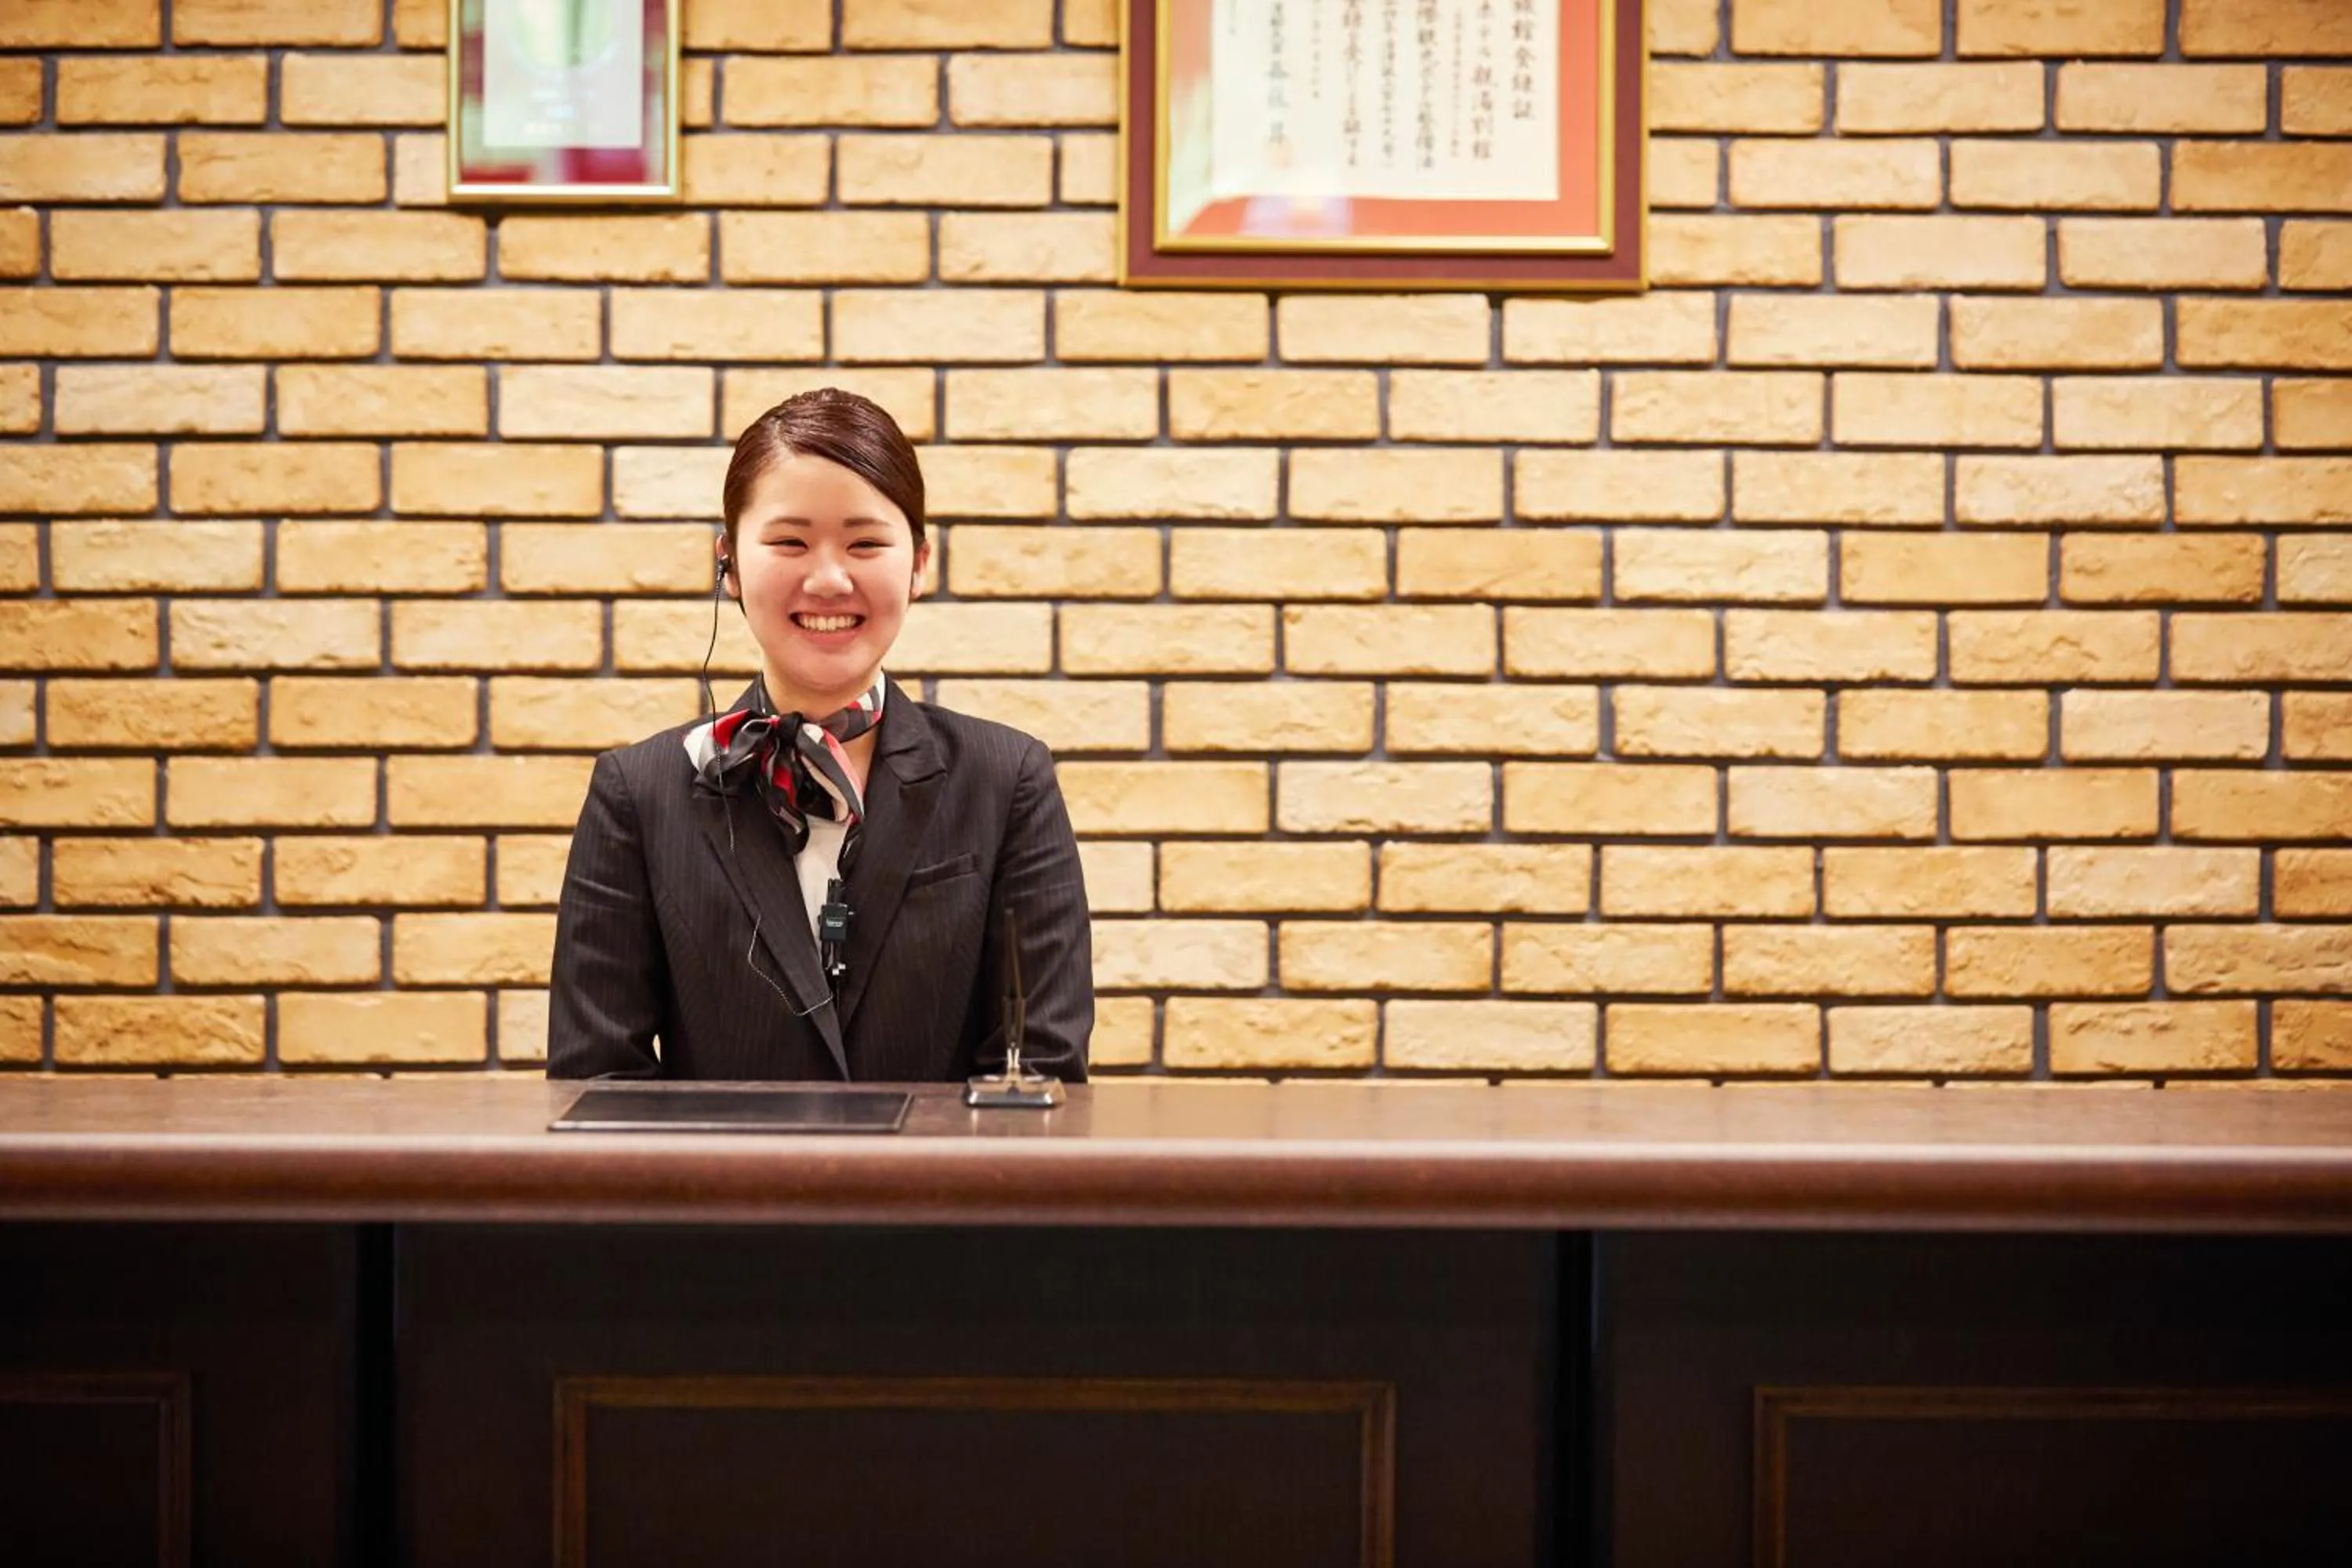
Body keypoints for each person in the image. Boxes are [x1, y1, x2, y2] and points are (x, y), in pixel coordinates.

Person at [546, 389, 1092, 1081]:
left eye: (866, 543)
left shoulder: (1008, 779)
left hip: (937, 1191)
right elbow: (596, 1083)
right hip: (725, 1191)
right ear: (730, 566)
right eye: (788, 542)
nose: (829, 578)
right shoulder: (638, 793)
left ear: (920, 563)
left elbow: (1044, 1071)